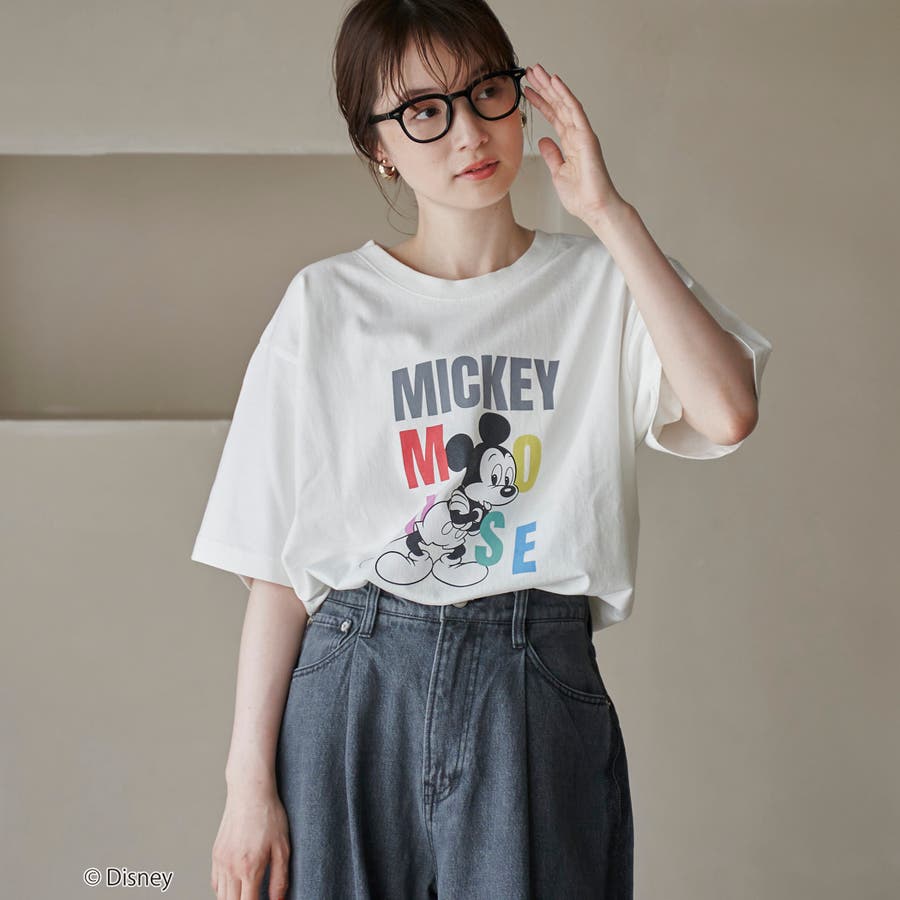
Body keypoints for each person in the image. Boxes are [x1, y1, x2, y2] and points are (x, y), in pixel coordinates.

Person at [191, 1, 774, 898]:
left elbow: (728, 413)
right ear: (378, 145)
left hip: (531, 675)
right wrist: (246, 789)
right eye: (424, 111)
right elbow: (276, 568)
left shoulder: (603, 282)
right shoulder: (327, 304)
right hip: (355, 673)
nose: (468, 131)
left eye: (486, 92)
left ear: (520, 95)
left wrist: (607, 212)